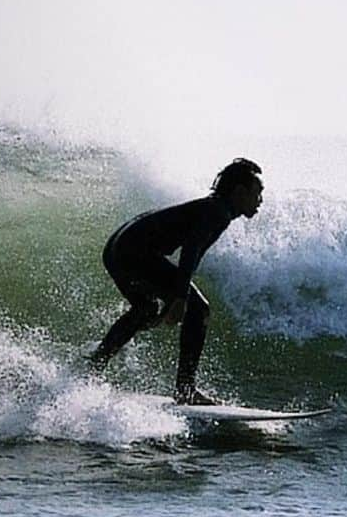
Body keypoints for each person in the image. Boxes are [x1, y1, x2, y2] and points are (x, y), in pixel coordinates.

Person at [88, 157, 264, 404]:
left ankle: (94, 365)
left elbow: (194, 252)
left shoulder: (212, 207)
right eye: (257, 192)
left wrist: (175, 297)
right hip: (134, 251)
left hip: (117, 248)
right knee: (199, 309)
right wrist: (180, 299)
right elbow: (190, 252)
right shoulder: (218, 212)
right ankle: (185, 389)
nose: (260, 200)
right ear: (239, 192)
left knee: (146, 310)